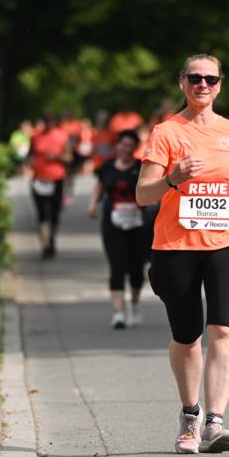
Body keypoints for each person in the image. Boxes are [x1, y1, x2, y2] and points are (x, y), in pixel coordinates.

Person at [136, 53, 229, 455]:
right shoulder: (166, 133)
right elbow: (142, 194)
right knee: (187, 337)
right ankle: (190, 413)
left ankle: (215, 422)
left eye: (210, 78)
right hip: (176, 246)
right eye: (195, 78)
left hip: (227, 240)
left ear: (220, 84)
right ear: (182, 83)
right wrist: (173, 179)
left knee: (223, 330)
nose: (202, 85)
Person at [88, 129, 147, 329]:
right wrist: (92, 204)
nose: (125, 148)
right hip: (113, 224)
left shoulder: (141, 168)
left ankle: (135, 304)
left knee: (136, 269)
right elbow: (99, 186)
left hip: (138, 225)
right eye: (122, 144)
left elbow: (150, 190)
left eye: (130, 145)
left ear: (134, 148)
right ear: (117, 145)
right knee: (117, 265)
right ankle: (119, 313)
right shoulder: (107, 167)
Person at [29, 110, 68, 259]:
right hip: (39, 179)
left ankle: (51, 239)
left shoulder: (61, 135)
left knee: (54, 213)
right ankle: (45, 245)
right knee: (42, 213)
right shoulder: (35, 136)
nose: (47, 124)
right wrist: (29, 162)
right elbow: (30, 153)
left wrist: (57, 156)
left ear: (54, 122)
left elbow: (69, 157)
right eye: (45, 121)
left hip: (56, 178)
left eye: (50, 121)